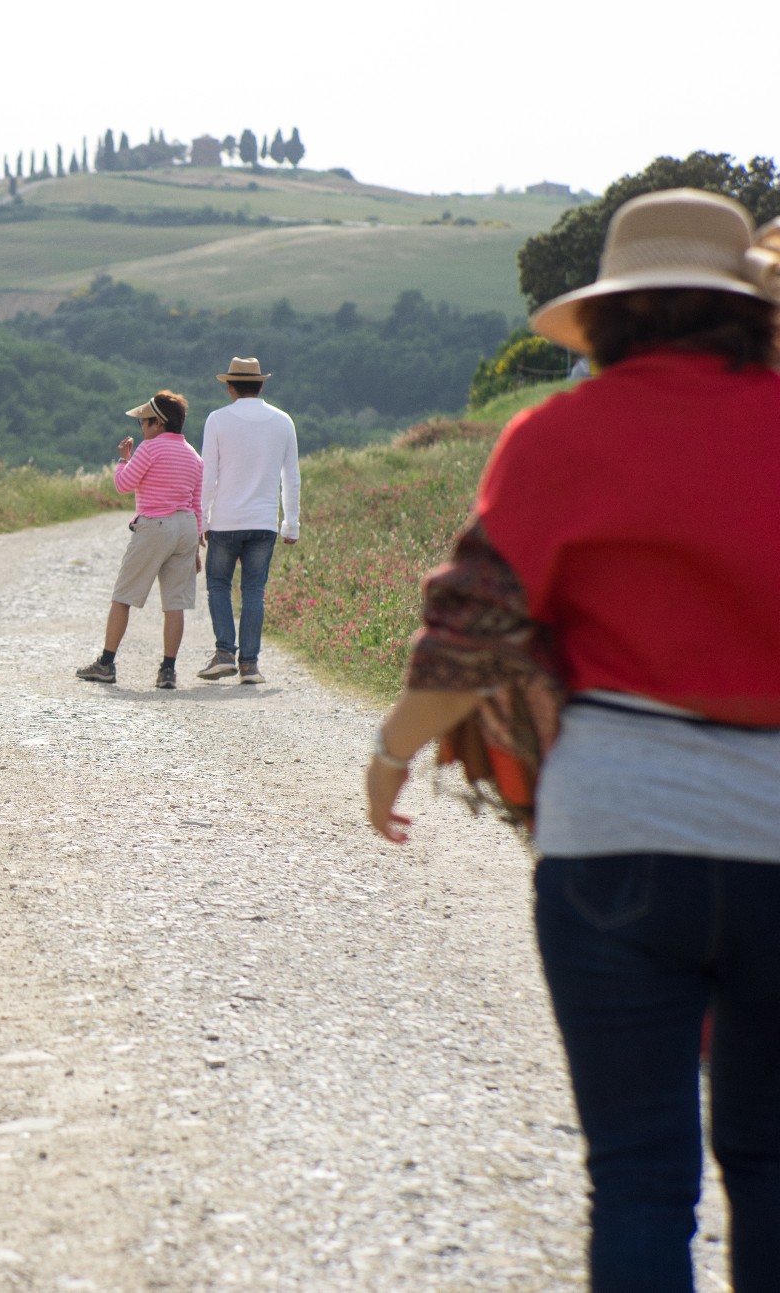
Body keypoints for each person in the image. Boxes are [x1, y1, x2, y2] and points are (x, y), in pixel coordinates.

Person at [364, 189, 780, 1292]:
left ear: (609, 314)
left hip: (613, 835)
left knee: (641, 1175)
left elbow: (470, 627)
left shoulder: (555, 434)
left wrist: (392, 750)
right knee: (773, 1163)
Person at [77, 391, 202, 689]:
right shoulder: (194, 456)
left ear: (158, 423)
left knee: (123, 596)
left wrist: (124, 460)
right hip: (185, 527)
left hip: (154, 525)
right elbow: (196, 503)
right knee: (175, 603)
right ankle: (168, 670)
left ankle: (106, 663)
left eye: (144, 422)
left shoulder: (149, 449)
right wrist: (197, 543)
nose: (142, 428)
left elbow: (123, 485)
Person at [196, 356, 301, 685]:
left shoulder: (217, 420)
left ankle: (225, 653)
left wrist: (202, 520)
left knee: (218, 586)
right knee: (255, 591)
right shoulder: (283, 421)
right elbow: (291, 477)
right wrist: (291, 523)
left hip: (226, 520)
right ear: (260, 384)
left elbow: (209, 476)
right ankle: (250, 666)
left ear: (230, 387)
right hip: (264, 521)